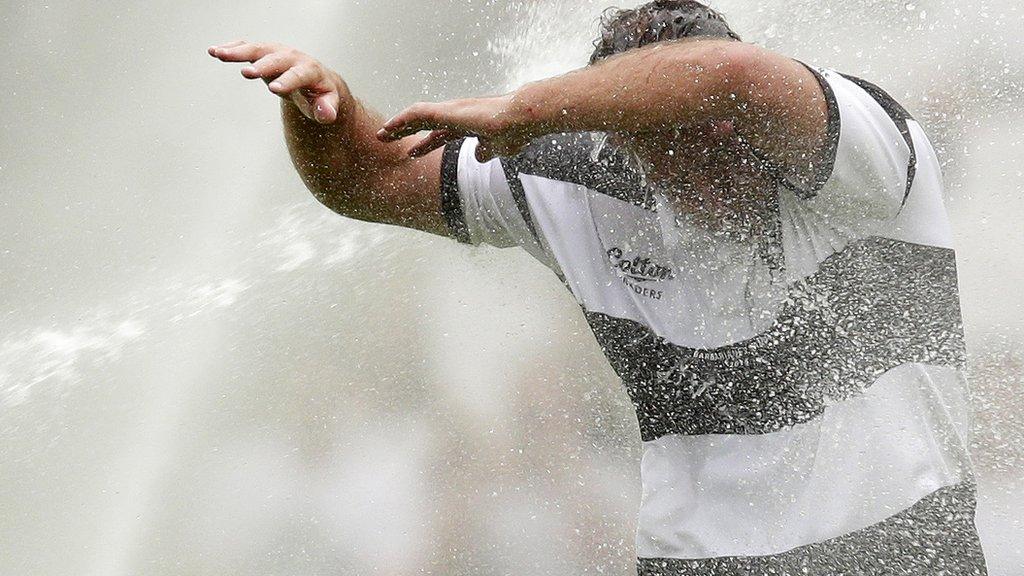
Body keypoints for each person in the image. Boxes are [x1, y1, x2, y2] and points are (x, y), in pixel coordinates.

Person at [208, 1, 989, 574]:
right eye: (668, 140)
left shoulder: (861, 153)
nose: (706, 151)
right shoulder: (572, 176)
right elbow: (366, 181)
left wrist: (529, 107)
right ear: (620, 143)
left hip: (907, 553)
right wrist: (321, 110)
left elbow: (730, 76)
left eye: (717, 124)